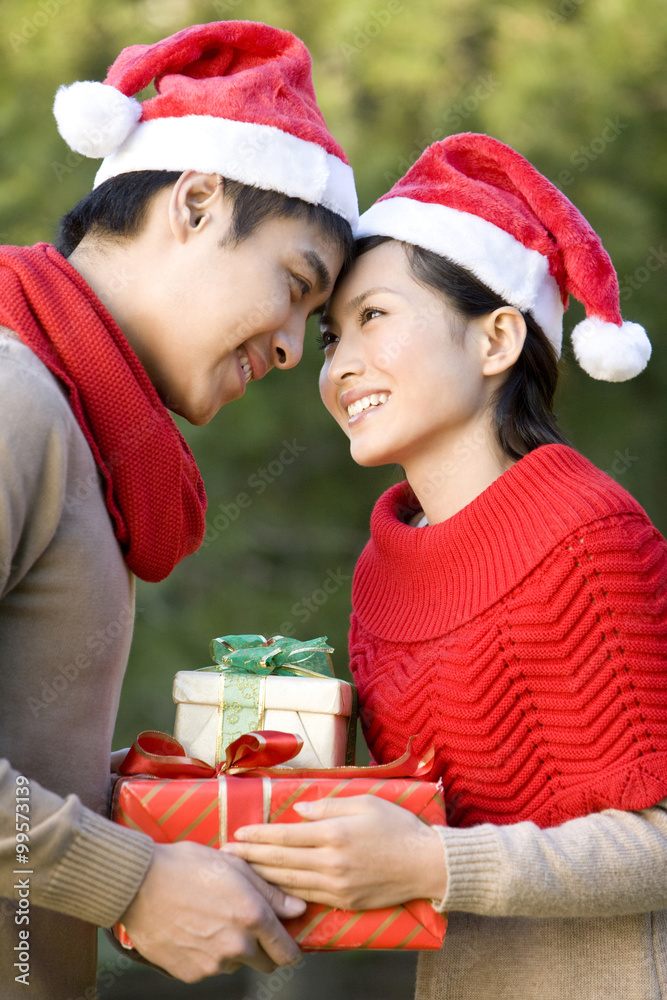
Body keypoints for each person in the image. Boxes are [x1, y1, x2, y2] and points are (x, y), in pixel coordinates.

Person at [223, 133, 667, 1000]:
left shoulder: (588, 536)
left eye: (375, 317)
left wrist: (429, 860)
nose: (341, 363)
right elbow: (413, 832)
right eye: (329, 335)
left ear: (497, 338)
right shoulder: (381, 566)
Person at [0, 19, 357, 999]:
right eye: (294, 286)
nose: (291, 349)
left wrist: (155, 808)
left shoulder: (78, 432)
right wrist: (136, 882)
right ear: (197, 203)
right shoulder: (13, 396)